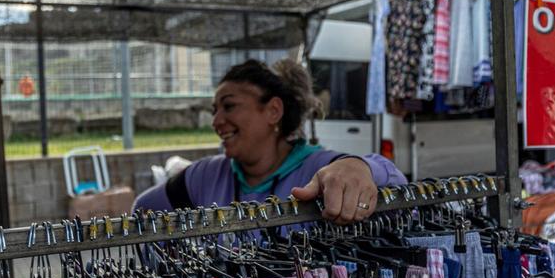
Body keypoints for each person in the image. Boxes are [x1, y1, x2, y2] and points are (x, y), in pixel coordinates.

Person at [135, 59, 405, 222]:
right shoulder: (204, 176)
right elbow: (143, 209)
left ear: (273, 111)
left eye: (229, 107)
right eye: (214, 110)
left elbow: (398, 185)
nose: (216, 122)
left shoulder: (319, 169)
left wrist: (359, 167)